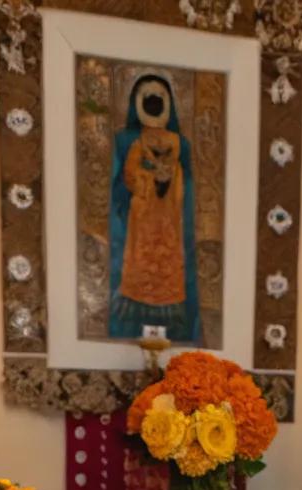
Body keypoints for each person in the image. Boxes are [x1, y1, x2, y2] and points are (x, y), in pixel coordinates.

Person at [109, 73, 201, 341]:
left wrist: (169, 177)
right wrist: (147, 179)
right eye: (146, 96)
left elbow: (190, 185)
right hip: (138, 218)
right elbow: (122, 179)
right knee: (138, 256)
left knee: (170, 258)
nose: (152, 102)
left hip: (170, 218)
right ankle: (132, 307)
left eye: (158, 97)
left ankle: (172, 311)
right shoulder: (125, 140)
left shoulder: (181, 143)